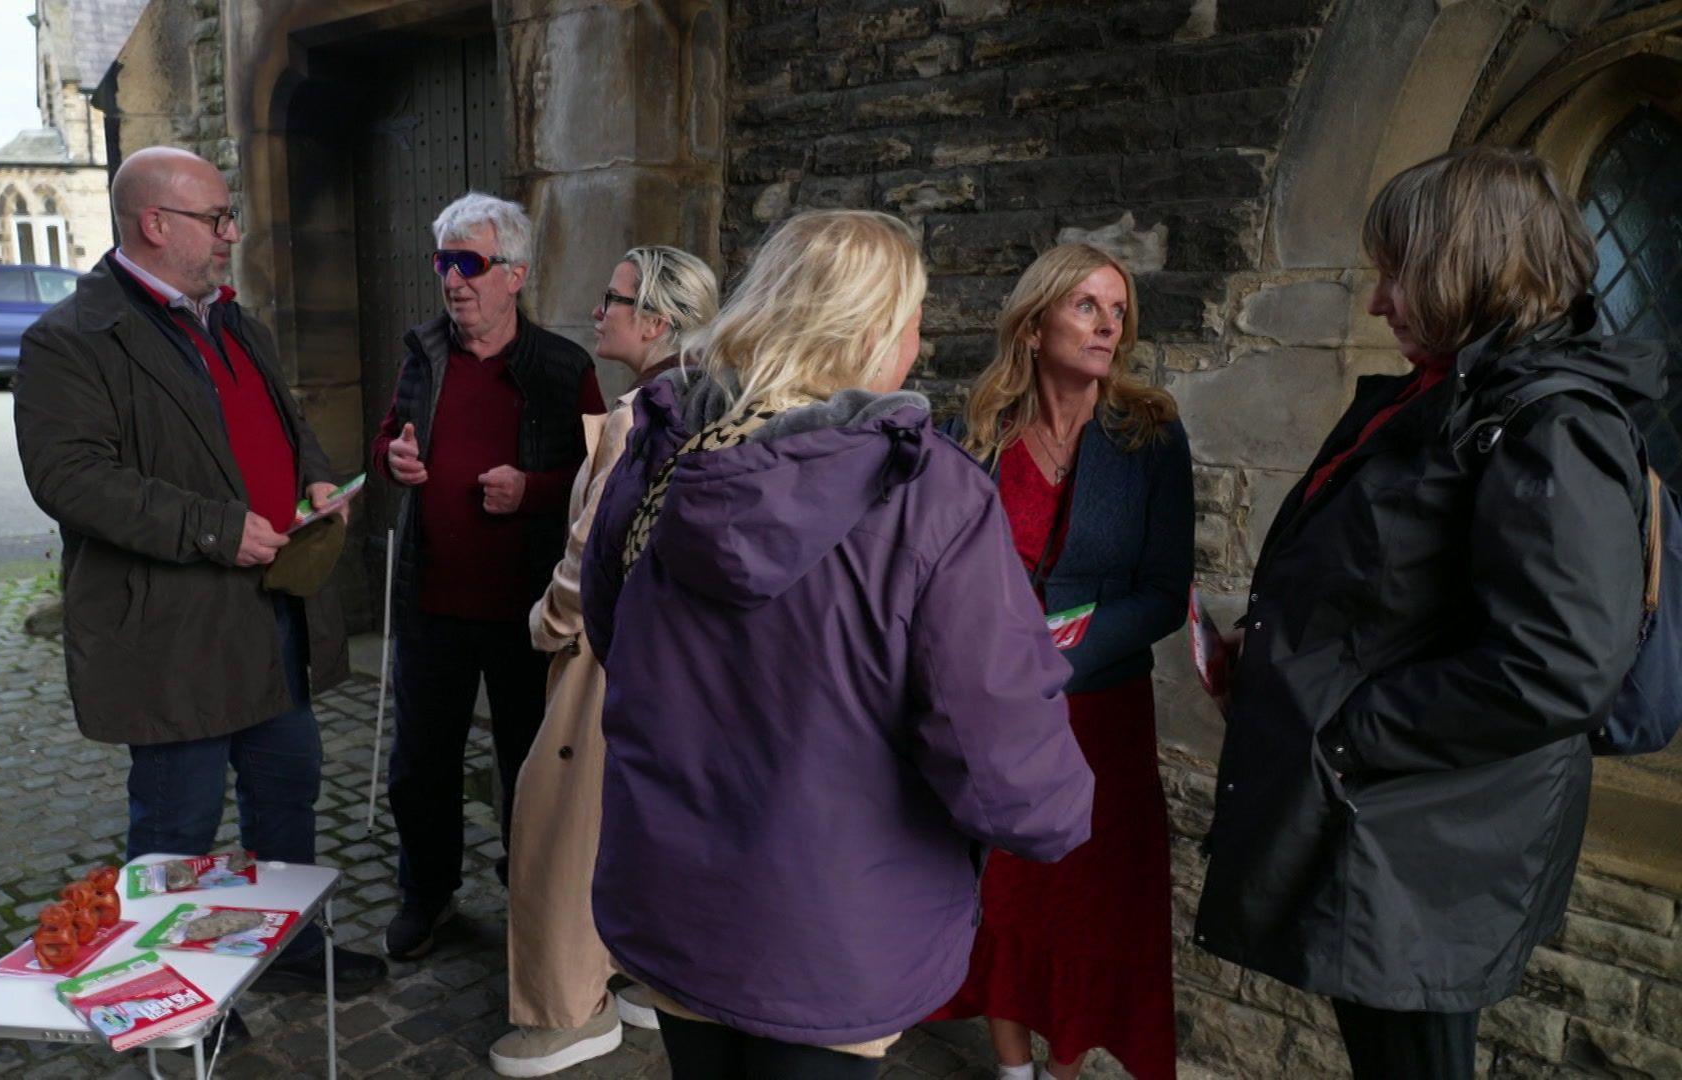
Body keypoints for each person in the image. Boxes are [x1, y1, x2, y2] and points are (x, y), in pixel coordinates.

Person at [577, 209, 1096, 1080]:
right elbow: (1000, 758)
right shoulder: (930, 493)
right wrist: (1061, 814)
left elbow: (611, 629)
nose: (919, 340)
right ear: (876, 331)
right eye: (913, 318)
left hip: (676, 899)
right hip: (832, 931)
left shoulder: (668, 447)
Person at [1197, 145, 1660, 1079]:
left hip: (1422, 843)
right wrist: (1278, 645)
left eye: (1396, 273)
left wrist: (1345, 731)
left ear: (1469, 264)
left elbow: (1557, 665)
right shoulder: (1448, 393)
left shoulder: (1553, 427)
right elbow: (1395, 591)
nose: (1377, 302)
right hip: (1383, 821)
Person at [13, 145, 387, 994]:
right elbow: (69, 479)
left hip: (273, 615)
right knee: (177, 828)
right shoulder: (70, 340)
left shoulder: (230, 318)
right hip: (172, 632)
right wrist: (216, 529)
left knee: (286, 798)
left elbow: (284, 423)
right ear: (155, 224)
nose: (230, 234)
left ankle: (286, 947)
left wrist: (315, 477)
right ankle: (168, 983)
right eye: (215, 219)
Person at [928, 244, 1191, 1080]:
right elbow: (936, 567)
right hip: (992, 709)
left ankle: (1065, 1062)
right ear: (1036, 322)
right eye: (1087, 306)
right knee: (1003, 892)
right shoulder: (973, 432)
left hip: (1100, 711)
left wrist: (1050, 653)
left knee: (1090, 900)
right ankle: (1013, 1067)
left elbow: (1161, 591)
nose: (1108, 325)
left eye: (1119, 311)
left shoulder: (1150, 433)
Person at [489, 246, 720, 1077]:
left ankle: (566, 1011)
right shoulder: (716, 399)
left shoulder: (642, 416)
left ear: (655, 320)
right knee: (637, 825)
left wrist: (545, 624)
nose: (599, 310)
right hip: (670, 657)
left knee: (560, 829)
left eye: (614, 298)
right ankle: (639, 974)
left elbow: (596, 549)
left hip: (602, 654)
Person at [372, 192, 605, 961]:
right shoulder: (423, 354)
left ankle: (532, 900)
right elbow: (387, 444)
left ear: (514, 274)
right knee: (420, 767)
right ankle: (428, 895)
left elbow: (602, 475)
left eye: (469, 264)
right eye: (444, 263)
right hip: (432, 603)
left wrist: (532, 490)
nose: (453, 281)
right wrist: (393, 462)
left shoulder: (564, 367)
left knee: (529, 765)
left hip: (526, 610)